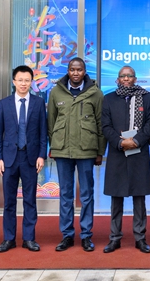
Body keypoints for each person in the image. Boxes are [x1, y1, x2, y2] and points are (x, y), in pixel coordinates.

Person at [48, 57, 105, 252]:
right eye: (72, 69)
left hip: (86, 150)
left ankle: (86, 235)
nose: (75, 73)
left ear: (84, 72)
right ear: (68, 71)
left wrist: (99, 152)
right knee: (65, 194)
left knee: (87, 194)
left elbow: (100, 124)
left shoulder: (95, 93)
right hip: (63, 150)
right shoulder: (56, 92)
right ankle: (67, 235)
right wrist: (55, 145)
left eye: (79, 70)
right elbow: (51, 122)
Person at [101, 66, 150, 254]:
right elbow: (105, 126)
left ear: (135, 78)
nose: (126, 79)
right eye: (123, 76)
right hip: (117, 154)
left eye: (129, 76)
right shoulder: (109, 99)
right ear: (118, 79)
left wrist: (136, 140)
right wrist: (120, 142)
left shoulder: (146, 98)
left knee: (139, 198)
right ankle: (114, 238)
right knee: (116, 198)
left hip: (139, 153)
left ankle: (140, 238)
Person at [0, 65, 47, 253]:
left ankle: (29, 238)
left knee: (30, 200)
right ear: (14, 81)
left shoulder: (38, 103)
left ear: (31, 82)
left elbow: (43, 132)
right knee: (9, 201)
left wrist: (41, 155)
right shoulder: (4, 103)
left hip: (30, 158)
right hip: (9, 159)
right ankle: (9, 238)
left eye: (27, 80)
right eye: (20, 80)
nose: (23, 83)